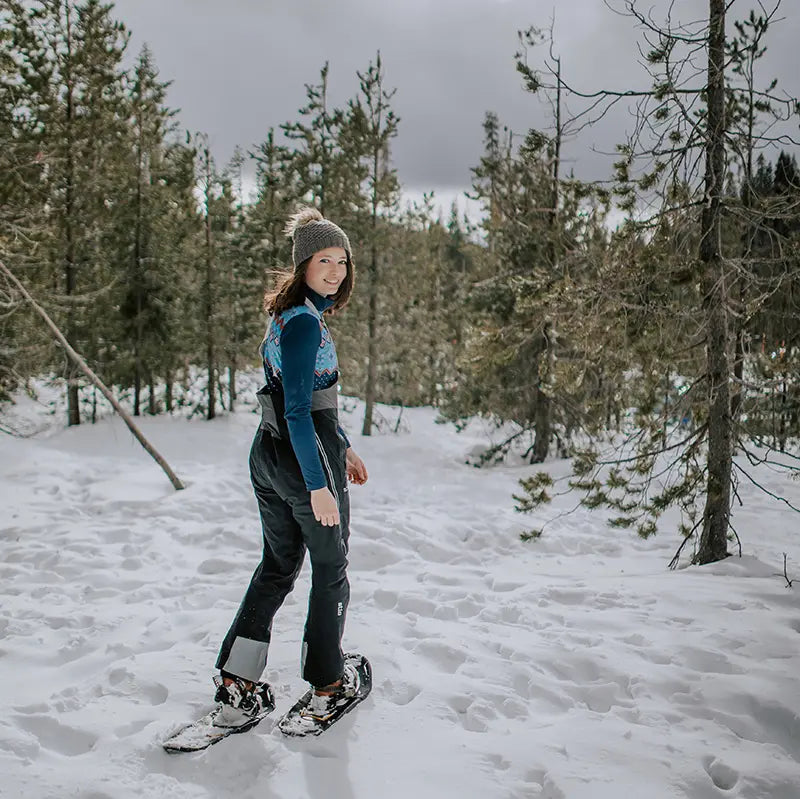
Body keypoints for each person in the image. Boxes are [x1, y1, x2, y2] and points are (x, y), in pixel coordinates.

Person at [213, 206, 368, 725]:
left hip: (270, 451)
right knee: (331, 569)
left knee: (278, 566)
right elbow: (301, 411)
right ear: (302, 263)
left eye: (342, 261)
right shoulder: (305, 325)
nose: (336, 270)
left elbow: (295, 397)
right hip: (303, 457)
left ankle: (237, 681)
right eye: (324, 259)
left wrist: (343, 445)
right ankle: (328, 683)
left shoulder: (290, 314)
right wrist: (319, 483)